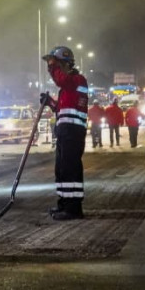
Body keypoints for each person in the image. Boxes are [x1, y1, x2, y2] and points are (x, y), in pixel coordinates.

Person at [41, 46, 89, 220]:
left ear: (66, 64)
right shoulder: (68, 86)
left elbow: (62, 81)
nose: (54, 70)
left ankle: (74, 209)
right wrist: (50, 103)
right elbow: (62, 109)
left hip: (73, 131)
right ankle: (64, 204)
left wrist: (52, 67)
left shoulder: (77, 80)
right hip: (64, 131)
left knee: (70, 169)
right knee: (61, 169)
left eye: (57, 65)